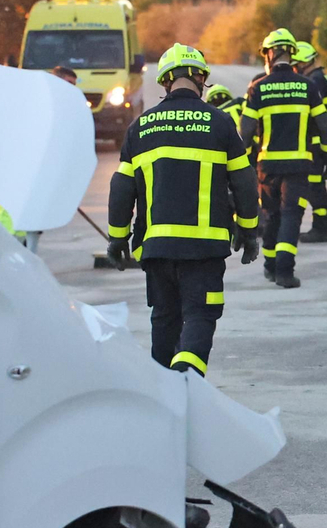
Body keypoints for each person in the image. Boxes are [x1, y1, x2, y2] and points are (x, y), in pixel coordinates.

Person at [106, 43, 259, 376]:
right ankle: (187, 378)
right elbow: (245, 183)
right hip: (204, 248)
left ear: (164, 82)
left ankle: (163, 392)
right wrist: (249, 231)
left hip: (156, 248)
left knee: (164, 317)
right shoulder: (219, 123)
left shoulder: (140, 127)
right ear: (201, 78)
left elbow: (121, 188)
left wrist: (117, 239)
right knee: (200, 315)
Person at [239, 28, 327, 288]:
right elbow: (324, 125)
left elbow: (245, 131)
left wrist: (241, 162)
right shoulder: (308, 86)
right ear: (291, 55)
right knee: (292, 214)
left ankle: (270, 266)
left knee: (270, 214)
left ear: (268, 55)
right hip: (299, 165)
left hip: (266, 166)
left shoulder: (258, 88)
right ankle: (285, 271)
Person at [293, 40, 327, 243]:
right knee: (315, 186)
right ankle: (320, 225)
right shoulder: (320, 79)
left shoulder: (314, 82)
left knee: (315, 186)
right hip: (318, 141)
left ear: (303, 63)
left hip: (314, 142)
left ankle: (321, 228)